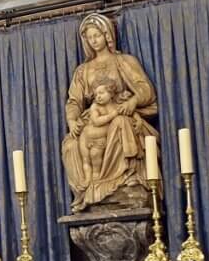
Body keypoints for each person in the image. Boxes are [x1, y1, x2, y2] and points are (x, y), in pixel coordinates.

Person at [61, 14, 159, 212]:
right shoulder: (83, 71)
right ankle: (90, 188)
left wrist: (133, 101)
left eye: (97, 35)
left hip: (121, 114)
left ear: (107, 35)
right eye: (90, 37)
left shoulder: (123, 61)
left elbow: (144, 89)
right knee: (70, 144)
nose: (94, 40)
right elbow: (74, 101)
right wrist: (72, 121)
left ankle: (126, 179)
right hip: (95, 121)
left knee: (120, 124)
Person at [76, 79, 125, 210]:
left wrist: (138, 121)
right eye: (96, 94)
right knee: (86, 159)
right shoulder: (94, 107)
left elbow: (131, 113)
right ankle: (87, 178)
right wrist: (113, 115)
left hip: (100, 140)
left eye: (101, 93)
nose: (98, 96)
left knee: (96, 157)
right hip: (86, 137)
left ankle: (97, 178)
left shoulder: (116, 105)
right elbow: (96, 121)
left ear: (111, 93)